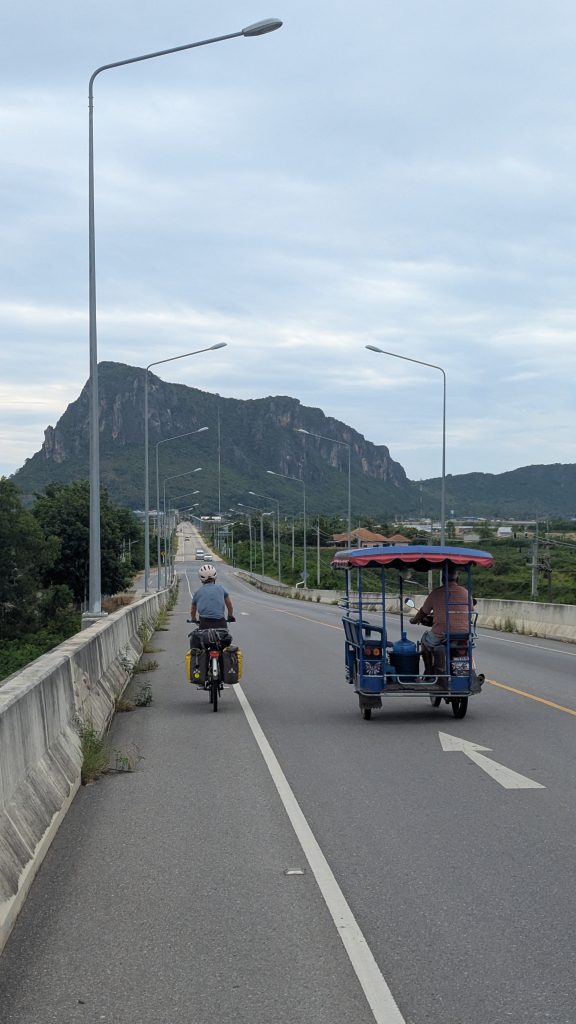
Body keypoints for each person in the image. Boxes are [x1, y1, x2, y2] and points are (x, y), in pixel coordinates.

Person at [410, 566, 472, 679]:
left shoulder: (435, 593)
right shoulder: (466, 592)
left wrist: (414, 620)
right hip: (463, 634)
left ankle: (428, 672)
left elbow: (423, 612)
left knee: (425, 639)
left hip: (442, 634)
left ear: (443, 579)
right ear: (457, 579)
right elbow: (471, 609)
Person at [190, 564, 234, 631]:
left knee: (201, 639)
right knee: (225, 639)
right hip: (220, 622)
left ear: (201, 578)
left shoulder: (197, 592)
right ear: (215, 577)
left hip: (204, 623)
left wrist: (193, 619)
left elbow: (193, 610)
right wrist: (230, 616)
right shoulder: (221, 589)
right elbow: (230, 605)